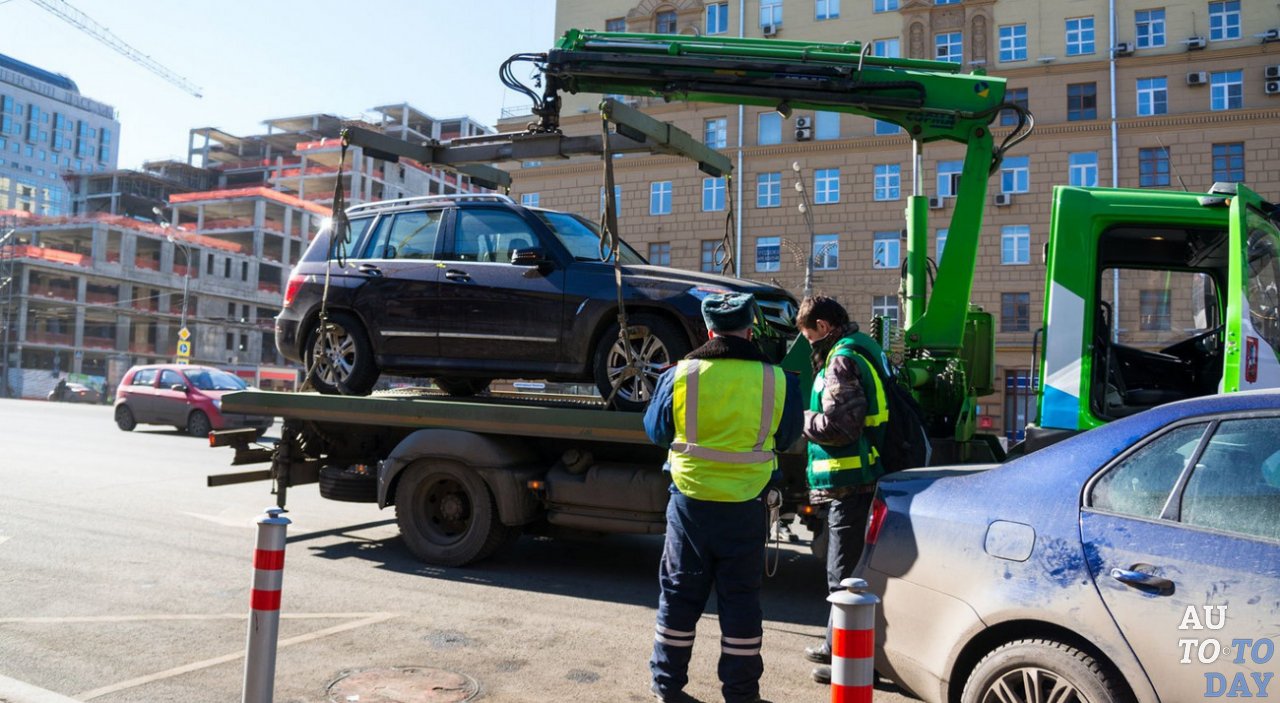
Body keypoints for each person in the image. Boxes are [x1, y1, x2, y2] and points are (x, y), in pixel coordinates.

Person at [643, 292, 804, 703]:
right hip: (746, 506)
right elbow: (787, 437)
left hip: (690, 503)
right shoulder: (779, 380)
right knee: (741, 601)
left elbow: (657, 432)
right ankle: (741, 693)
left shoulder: (680, 375)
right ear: (749, 330)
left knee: (679, 596)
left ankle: (667, 686)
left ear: (708, 331)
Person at [795, 296, 890, 685]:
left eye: (808, 336)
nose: (809, 345)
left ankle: (847, 663)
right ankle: (834, 641)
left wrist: (802, 418)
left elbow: (840, 428)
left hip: (852, 482)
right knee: (849, 571)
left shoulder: (841, 360)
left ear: (822, 326)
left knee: (845, 576)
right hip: (863, 476)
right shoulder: (864, 347)